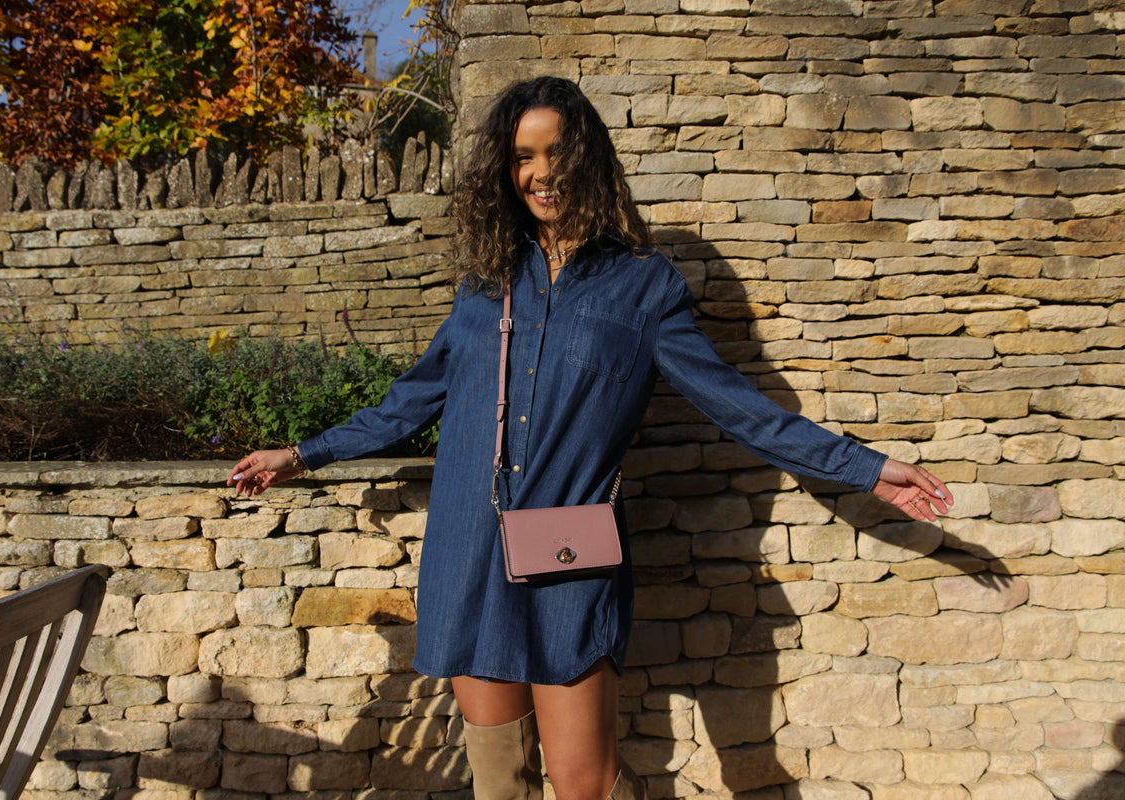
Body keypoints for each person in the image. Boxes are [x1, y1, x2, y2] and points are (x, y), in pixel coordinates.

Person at [227, 76, 953, 800]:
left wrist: (865, 468)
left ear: (589, 157)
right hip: (471, 550)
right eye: (523, 157)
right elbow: (407, 404)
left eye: (556, 152)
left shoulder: (642, 286)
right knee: (499, 783)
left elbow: (739, 409)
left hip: (566, 561)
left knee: (585, 788)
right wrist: (301, 455)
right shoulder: (485, 285)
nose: (541, 173)